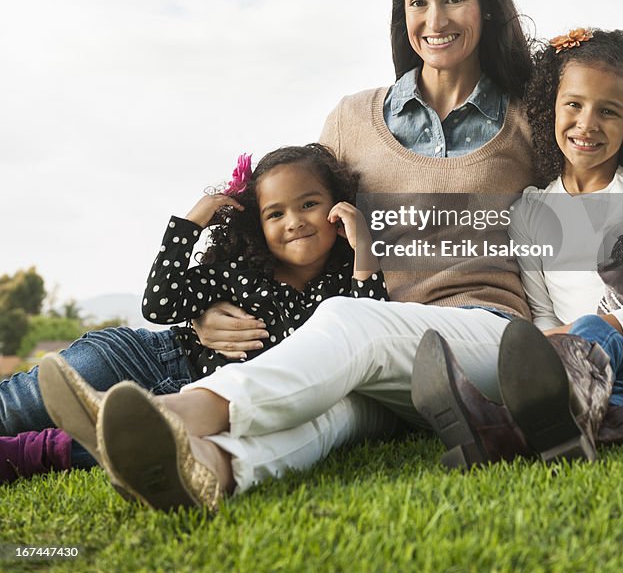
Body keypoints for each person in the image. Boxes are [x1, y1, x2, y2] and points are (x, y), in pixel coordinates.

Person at [39, 0, 623, 509]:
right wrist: (208, 306)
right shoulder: (349, 118)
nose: (437, 19)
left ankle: (178, 411)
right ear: (400, 14)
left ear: (486, 8)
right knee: (333, 412)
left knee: (350, 322)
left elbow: (619, 205)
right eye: (418, 2)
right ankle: (207, 469)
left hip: (486, 341)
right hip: (382, 358)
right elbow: (292, 226)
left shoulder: (533, 115)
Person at [411, 28, 623, 468]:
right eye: (573, 104)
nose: (587, 124)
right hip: (591, 359)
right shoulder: (531, 211)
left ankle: (503, 428)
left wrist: (596, 328)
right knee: (584, 342)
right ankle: (568, 416)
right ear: (550, 108)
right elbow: (546, 317)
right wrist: (575, 339)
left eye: (608, 112)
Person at [0, 144, 389, 484]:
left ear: (337, 207)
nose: (294, 221)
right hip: (143, 359)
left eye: (309, 204)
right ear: (257, 224)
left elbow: (369, 330)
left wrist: (364, 249)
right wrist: (189, 225)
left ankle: (25, 455)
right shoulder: (241, 272)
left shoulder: (344, 285)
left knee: (137, 442)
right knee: (15, 408)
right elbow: (160, 305)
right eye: (275, 214)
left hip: (204, 406)